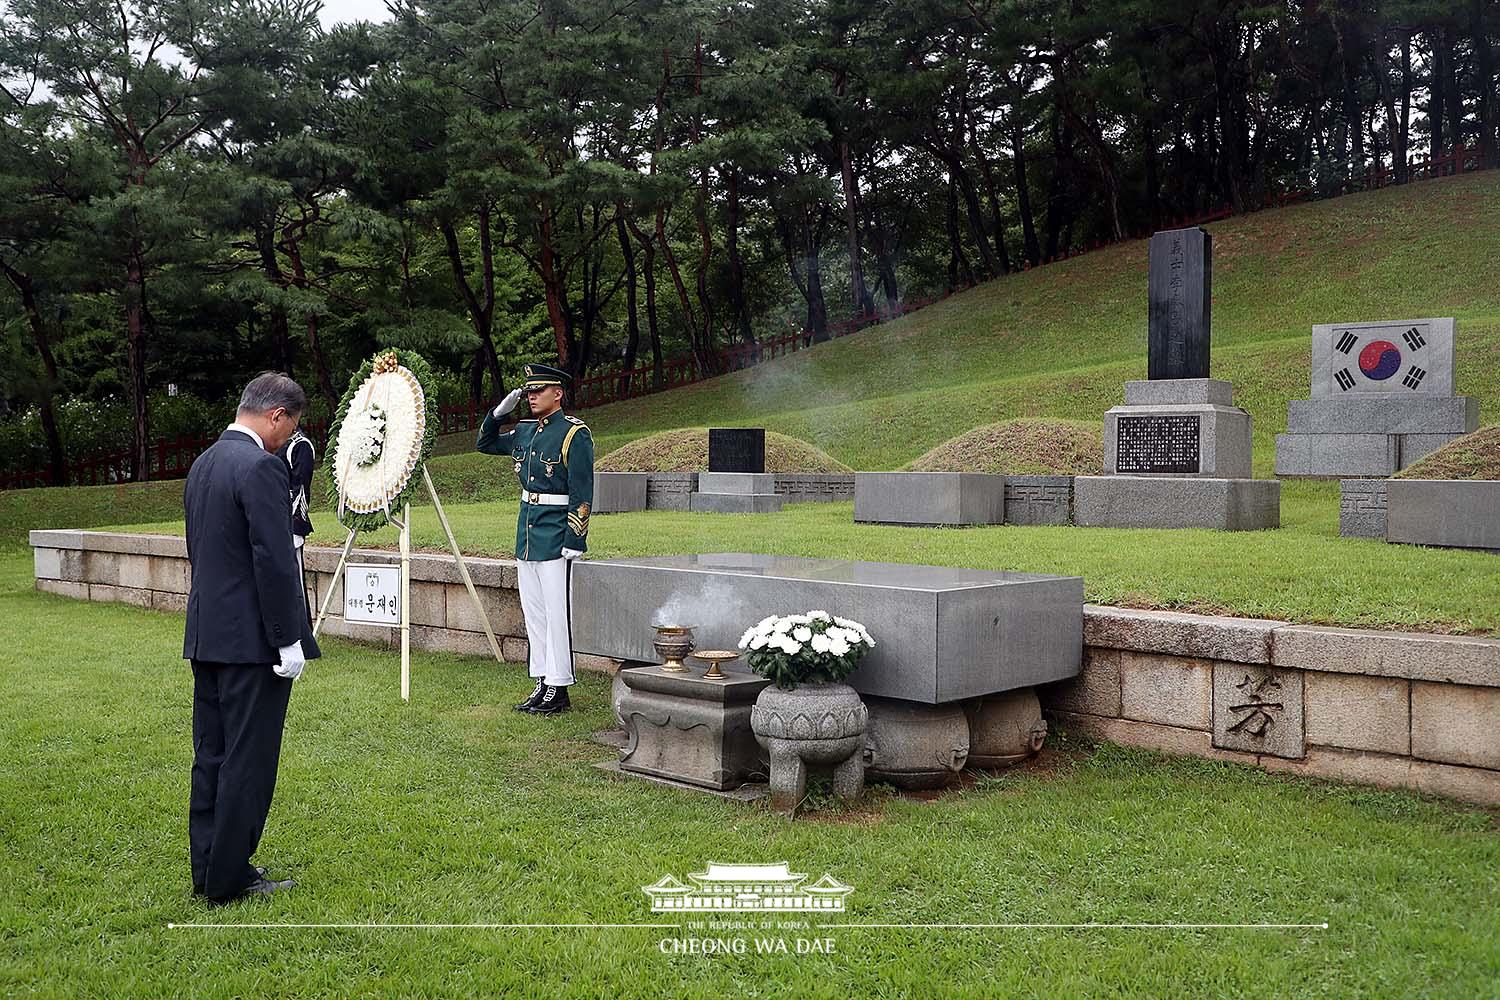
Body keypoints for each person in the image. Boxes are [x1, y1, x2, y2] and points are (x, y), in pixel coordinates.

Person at [183, 372, 321, 903]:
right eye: (290, 430)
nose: (288, 441)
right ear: (276, 416)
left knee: (211, 755)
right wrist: (289, 639)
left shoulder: (203, 464)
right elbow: (274, 559)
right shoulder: (262, 467)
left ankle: (207, 869)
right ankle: (230, 877)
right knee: (249, 759)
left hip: (208, 633)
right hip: (251, 643)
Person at [475, 363, 594, 715]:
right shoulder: (526, 431)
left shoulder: (574, 434)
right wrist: (497, 415)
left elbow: (582, 489)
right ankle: (542, 680)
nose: (530, 397)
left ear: (557, 393)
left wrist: (576, 535)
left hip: (556, 532)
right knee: (535, 613)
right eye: (528, 392)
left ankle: (559, 685)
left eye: (538, 391)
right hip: (527, 531)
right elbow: (485, 443)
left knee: (556, 613)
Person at [275, 426, 316, 624]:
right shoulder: (272, 443)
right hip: (269, 521)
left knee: (294, 578)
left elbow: (300, 488)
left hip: (288, 522)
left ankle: (302, 630)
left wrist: (292, 522)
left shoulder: (300, 446)